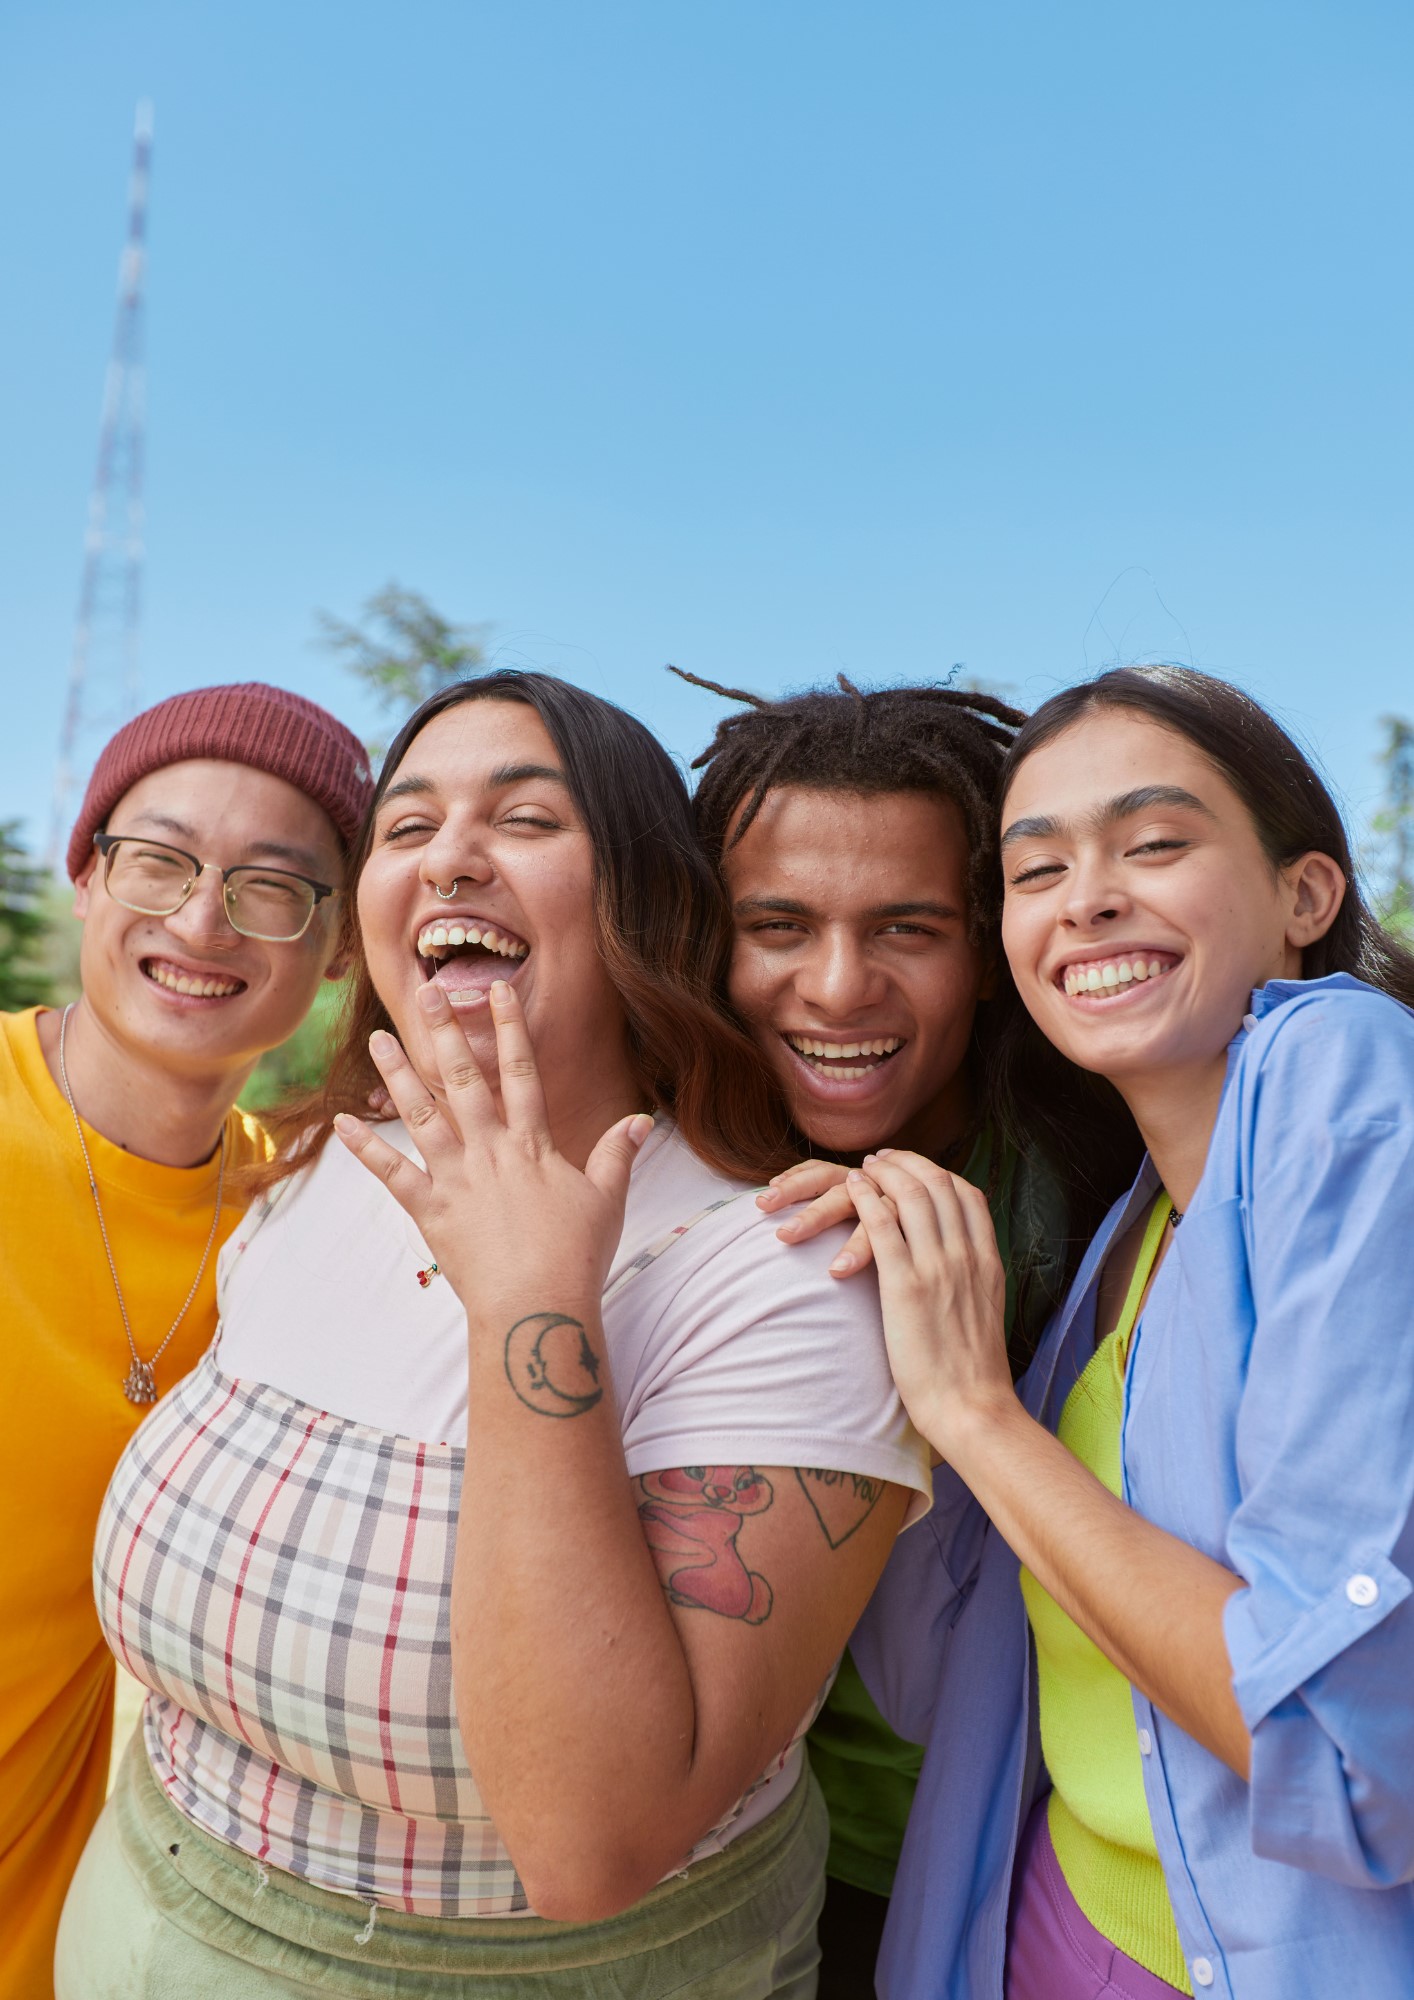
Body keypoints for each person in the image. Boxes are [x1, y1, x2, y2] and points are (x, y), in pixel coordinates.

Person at [58, 672, 933, 1999]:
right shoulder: (316, 1174)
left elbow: (597, 1844)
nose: (451, 855)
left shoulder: (790, 1275)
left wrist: (533, 1305)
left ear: (647, 894)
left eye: (525, 820)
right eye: (404, 829)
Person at [809, 666, 1414, 1998]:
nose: (1086, 896)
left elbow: (1334, 1746)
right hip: (1045, 1910)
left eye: (1153, 844)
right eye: (1036, 870)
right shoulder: (1120, 1236)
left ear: (1302, 897)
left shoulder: (1341, 1071)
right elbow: (938, 1689)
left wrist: (973, 1412)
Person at [676, 668, 1114, 1994]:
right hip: (722, 1872)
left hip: (1012, 1878)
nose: (837, 985)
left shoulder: (1104, 1186)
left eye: (907, 928)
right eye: (777, 923)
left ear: (985, 955)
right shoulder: (650, 1177)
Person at [0, 681, 370, 1999]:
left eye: (273, 887)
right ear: (87, 877)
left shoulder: (309, 1225)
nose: (201, 921)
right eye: (157, 860)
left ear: (338, 947)